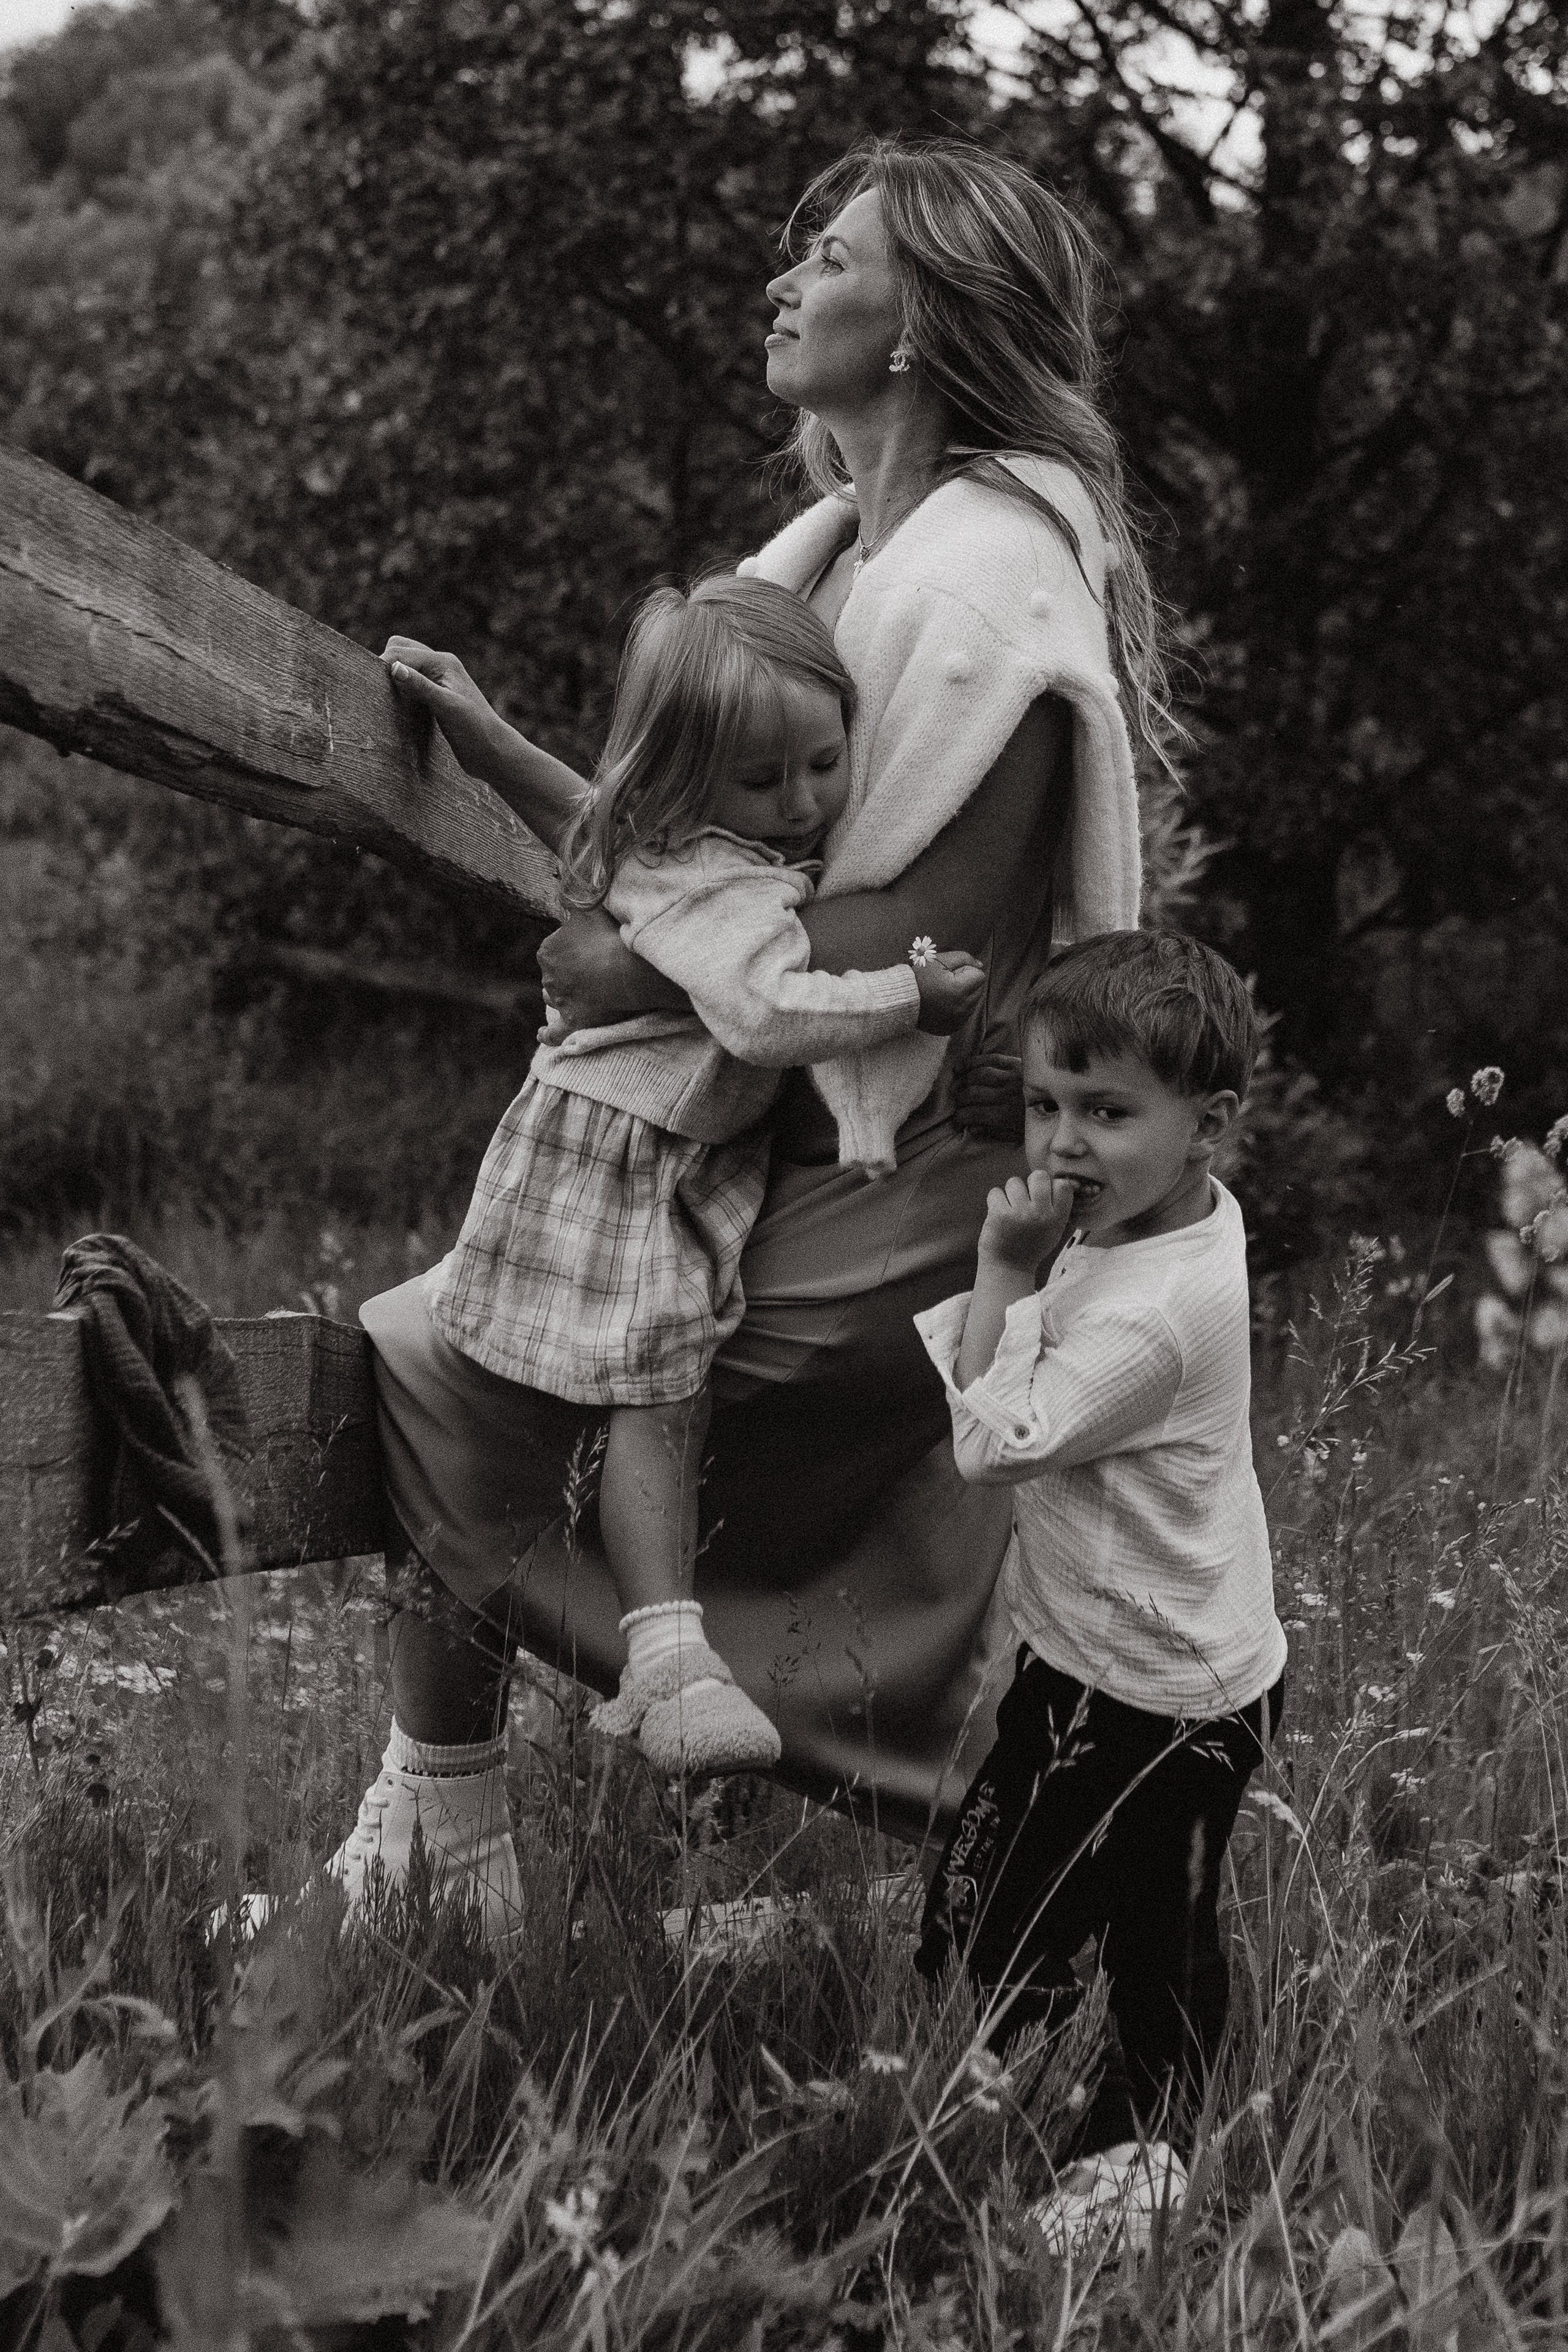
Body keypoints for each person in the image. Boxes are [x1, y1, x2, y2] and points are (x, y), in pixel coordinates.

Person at [341, 136, 1166, 1940]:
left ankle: (475, 1833)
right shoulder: (836, 557)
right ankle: (467, 1842)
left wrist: (643, 976)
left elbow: (939, 929)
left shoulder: (988, 585)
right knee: (471, 1345)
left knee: (460, 1358)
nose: (788, 282)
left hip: (910, 1163)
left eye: (833, 259)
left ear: (922, 321)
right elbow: (691, 846)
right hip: (783, 1125)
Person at [382, 575, 983, 1783]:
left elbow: (585, 813)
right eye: (763, 782)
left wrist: (488, 738)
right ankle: (669, 1656)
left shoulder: (686, 837)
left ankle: (599, 1653)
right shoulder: (736, 884)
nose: (803, 803)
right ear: (690, 777)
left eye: (823, 763)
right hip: (627, 1151)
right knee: (655, 1395)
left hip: (602, 1134)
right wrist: (904, 999)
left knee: (634, 1388)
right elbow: (761, 1018)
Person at [912, 930, 1287, 2227]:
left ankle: (1145, 2153)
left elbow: (986, 1445)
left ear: (1209, 1126)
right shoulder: (1165, 1209)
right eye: (1044, 1105)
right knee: (984, 1878)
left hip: (1172, 1692)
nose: (1062, 1143)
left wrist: (1003, 1269)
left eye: (1106, 1112)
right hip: (1081, 1656)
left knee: (1157, 1935)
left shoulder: (1153, 1313)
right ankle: (995, 2050)